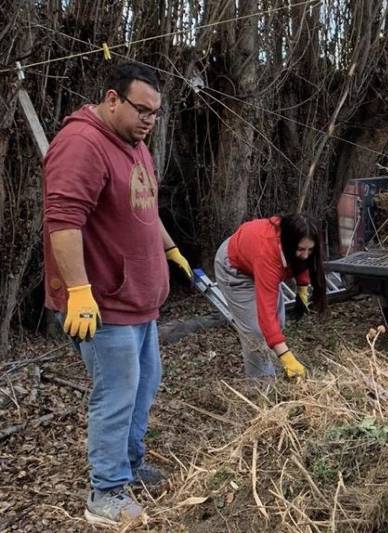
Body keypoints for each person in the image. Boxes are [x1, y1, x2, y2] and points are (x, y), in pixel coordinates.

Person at [43, 63, 194, 525]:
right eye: (141, 110)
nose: (149, 120)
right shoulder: (82, 145)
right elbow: (62, 222)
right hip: (103, 304)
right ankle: (105, 492)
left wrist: (170, 248)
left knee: (143, 388)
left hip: (139, 301)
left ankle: (128, 466)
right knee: (116, 395)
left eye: (156, 113)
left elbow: (144, 204)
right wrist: (80, 293)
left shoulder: (135, 143)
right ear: (112, 99)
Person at [214, 214, 327, 380]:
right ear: (288, 244)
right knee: (256, 332)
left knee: (278, 321)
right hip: (234, 268)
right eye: (301, 249)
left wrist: (302, 287)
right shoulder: (267, 256)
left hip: (252, 254)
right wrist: (288, 358)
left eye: (310, 249)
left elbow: (303, 262)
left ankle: (273, 362)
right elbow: (265, 314)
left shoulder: (294, 239)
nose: (305, 255)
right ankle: (262, 390)